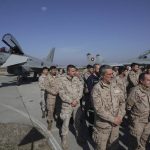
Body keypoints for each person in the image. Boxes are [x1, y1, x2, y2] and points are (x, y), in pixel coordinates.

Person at [92, 65, 125, 150]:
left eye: (112, 73)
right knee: (101, 147)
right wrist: (113, 119)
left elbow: (122, 102)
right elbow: (98, 109)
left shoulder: (115, 86)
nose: (112, 75)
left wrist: (120, 116)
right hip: (103, 126)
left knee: (113, 147)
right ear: (102, 75)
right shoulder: (97, 89)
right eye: (109, 74)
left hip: (115, 125)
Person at [59, 65, 83, 150]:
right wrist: (71, 101)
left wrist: (76, 100)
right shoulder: (62, 79)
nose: (75, 72)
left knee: (77, 122)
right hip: (67, 105)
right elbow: (61, 93)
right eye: (73, 71)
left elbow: (81, 89)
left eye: (75, 71)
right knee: (66, 123)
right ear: (68, 71)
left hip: (77, 104)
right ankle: (64, 140)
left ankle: (79, 136)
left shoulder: (76, 79)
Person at [126, 72, 150, 150]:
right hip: (138, 121)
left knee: (144, 141)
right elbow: (128, 106)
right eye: (148, 80)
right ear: (141, 81)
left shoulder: (149, 89)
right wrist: (133, 119)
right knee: (135, 143)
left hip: (148, 121)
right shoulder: (135, 91)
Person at [44, 66, 59, 130]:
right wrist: (53, 92)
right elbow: (46, 87)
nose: (54, 71)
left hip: (59, 96)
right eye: (53, 70)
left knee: (58, 108)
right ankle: (49, 121)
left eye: (55, 70)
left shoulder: (58, 76)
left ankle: (58, 120)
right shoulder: (47, 77)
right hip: (51, 96)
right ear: (50, 71)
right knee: (50, 110)